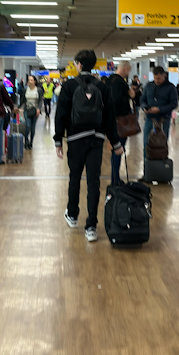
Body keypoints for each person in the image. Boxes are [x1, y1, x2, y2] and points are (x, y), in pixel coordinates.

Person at [54, 49, 124, 243]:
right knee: (93, 181)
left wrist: (58, 139)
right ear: (94, 65)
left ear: (78, 64)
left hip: (75, 138)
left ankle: (73, 215)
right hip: (96, 138)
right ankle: (91, 226)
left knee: (74, 177)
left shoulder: (68, 86)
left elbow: (61, 114)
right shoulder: (102, 87)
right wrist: (116, 142)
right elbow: (110, 116)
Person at [141, 66, 178, 166]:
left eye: (159, 78)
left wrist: (159, 109)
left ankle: (161, 168)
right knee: (146, 143)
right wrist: (144, 107)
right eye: (155, 78)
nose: (156, 80)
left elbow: (174, 104)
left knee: (162, 144)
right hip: (150, 118)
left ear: (164, 76)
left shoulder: (171, 88)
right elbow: (142, 99)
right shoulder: (149, 85)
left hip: (164, 119)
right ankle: (147, 170)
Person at [107, 61, 135, 179]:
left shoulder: (110, 80)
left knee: (116, 149)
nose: (128, 73)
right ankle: (115, 179)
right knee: (118, 149)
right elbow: (116, 100)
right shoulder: (118, 82)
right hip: (120, 121)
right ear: (125, 69)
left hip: (113, 120)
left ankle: (115, 178)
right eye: (128, 70)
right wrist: (129, 94)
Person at [22, 75, 43, 149]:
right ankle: (26, 141)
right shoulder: (25, 90)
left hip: (35, 111)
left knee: (33, 127)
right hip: (27, 110)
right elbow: (23, 100)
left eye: (31, 80)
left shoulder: (39, 90)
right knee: (28, 126)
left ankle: (31, 142)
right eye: (28, 80)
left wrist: (39, 109)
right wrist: (17, 108)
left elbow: (40, 100)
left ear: (34, 81)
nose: (29, 82)